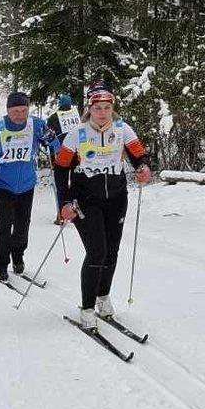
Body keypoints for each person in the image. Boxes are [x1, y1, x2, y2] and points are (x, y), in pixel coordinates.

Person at [53, 86, 153, 331]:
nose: (102, 113)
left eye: (107, 108)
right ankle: (87, 307)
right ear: (89, 109)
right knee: (97, 251)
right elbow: (61, 169)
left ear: (113, 109)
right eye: (97, 108)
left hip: (117, 198)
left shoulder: (122, 129)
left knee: (112, 252)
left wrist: (144, 168)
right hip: (85, 200)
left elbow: (140, 155)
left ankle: (102, 296)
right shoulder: (76, 134)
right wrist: (65, 203)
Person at [0, 90, 58, 284]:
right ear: (8, 110)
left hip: (27, 184)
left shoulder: (36, 124)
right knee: (4, 223)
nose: (20, 115)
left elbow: (56, 148)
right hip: (1, 184)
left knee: (22, 224)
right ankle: (0, 266)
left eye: (23, 110)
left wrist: (51, 138)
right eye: (15, 111)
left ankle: (17, 256)